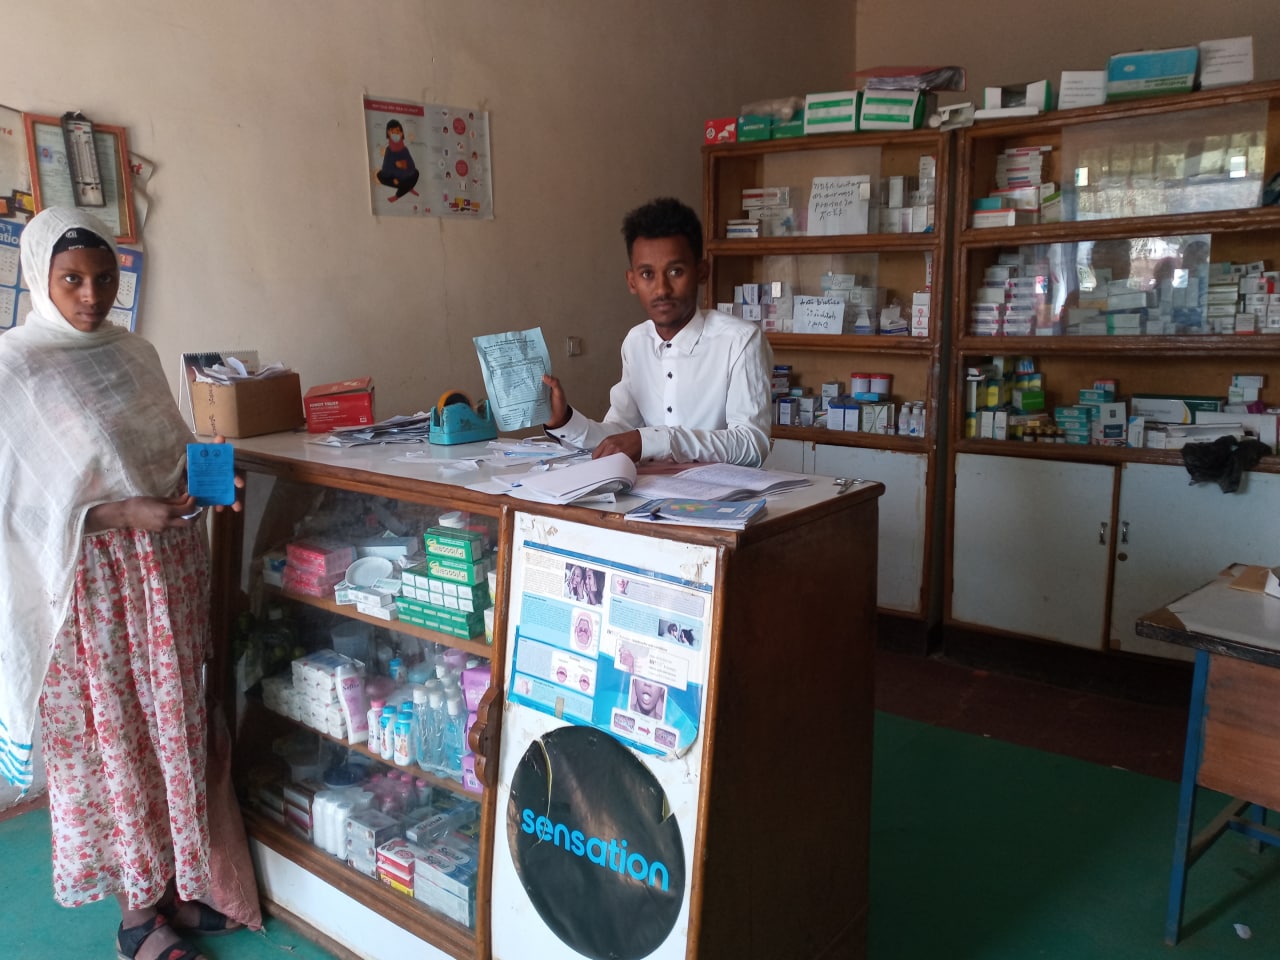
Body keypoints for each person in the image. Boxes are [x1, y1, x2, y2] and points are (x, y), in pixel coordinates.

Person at [0, 208, 245, 960]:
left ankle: (170, 888)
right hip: (89, 587)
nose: (91, 295)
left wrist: (199, 481)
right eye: (72, 279)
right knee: (117, 741)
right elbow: (18, 501)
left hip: (162, 573)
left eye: (105, 278)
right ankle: (137, 918)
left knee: (170, 728)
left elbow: (161, 453)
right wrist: (115, 512)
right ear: (40, 276)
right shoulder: (15, 367)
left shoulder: (132, 352)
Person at [542, 197, 773, 466]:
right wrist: (564, 421)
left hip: (720, 501)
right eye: (647, 274)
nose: (662, 289)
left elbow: (752, 444)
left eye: (675, 271)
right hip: (648, 496)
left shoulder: (740, 340)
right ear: (631, 281)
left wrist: (654, 441)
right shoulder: (636, 341)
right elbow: (620, 432)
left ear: (701, 272)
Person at [376, 119, 420, 203]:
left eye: (397, 131)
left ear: (402, 133)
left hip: (405, 177)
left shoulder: (404, 150)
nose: (395, 134)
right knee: (379, 175)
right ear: (388, 133)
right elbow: (385, 171)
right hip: (395, 178)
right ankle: (408, 188)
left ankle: (398, 195)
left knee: (416, 173)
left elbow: (412, 167)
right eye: (392, 131)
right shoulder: (389, 150)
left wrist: (404, 166)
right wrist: (395, 172)